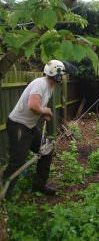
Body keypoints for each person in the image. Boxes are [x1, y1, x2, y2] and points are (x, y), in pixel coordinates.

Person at [2, 60, 65, 198]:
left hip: (29, 127)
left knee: (47, 151)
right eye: (62, 74)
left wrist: (44, 113)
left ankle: (39, 186)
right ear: (57, 74)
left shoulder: (49, 86)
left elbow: (37, 108)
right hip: (18, 125)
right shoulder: (40, 84)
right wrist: (44, 110)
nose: (63, 77)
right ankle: (4, 196)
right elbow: (32, 105)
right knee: (17, 161)